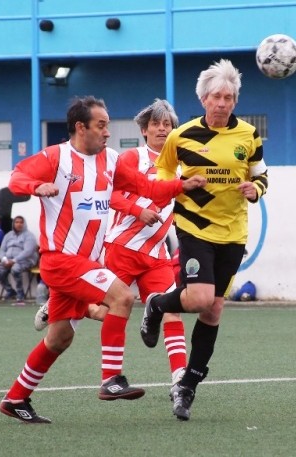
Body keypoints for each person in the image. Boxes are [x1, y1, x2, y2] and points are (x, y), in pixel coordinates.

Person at [0, 95, 206, 424]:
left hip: (88, 263)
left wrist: (182, 185)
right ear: (81, 128)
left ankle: (15, 398)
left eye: (108, 124)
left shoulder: (111, 160)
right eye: (101, 125)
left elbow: (145, 188)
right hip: (62, 260)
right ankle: (111, 379)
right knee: (122, 296)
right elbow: (16, 179)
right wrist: (37, 186)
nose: (108, 131)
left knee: (60, 338)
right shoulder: (57, 157)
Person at [140, 59, 268, 421]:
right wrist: (179, 185)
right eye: (216, 97)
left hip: (233, 231)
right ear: (203, 100)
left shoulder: (248, 135)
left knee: (213, 309)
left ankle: (187, 387)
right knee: (199, 299)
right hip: (194, 226)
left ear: (235, 101)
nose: (223, 103)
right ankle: (157, 305)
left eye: (229, 97)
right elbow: (163, 170)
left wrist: (254, 189)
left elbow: (261, 174)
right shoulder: (181, 137)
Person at [33, 99, 190, 387]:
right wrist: (137, 211)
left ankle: (180, 378)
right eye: (155, 124)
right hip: (122, 247)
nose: (162, 129)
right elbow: (110, 195)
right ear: (144, 130)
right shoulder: (132, 158)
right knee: (110, 309)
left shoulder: (180, 165)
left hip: (157, 253)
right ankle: (69, 306)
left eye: (167, 124)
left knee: (172, 310)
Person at [0, 215, 38, 306]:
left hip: (26, 260)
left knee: (15, 269)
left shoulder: (29, 236)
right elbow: (2, 250)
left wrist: (14, 260)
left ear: (24, 224)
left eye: (21, 222)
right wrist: (4, 259)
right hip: (8, 260)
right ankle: (10, 291)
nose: (19, 224)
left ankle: (20, 294)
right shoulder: (8, 235)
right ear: (13, 224)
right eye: (16, 222)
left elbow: (28, 251)